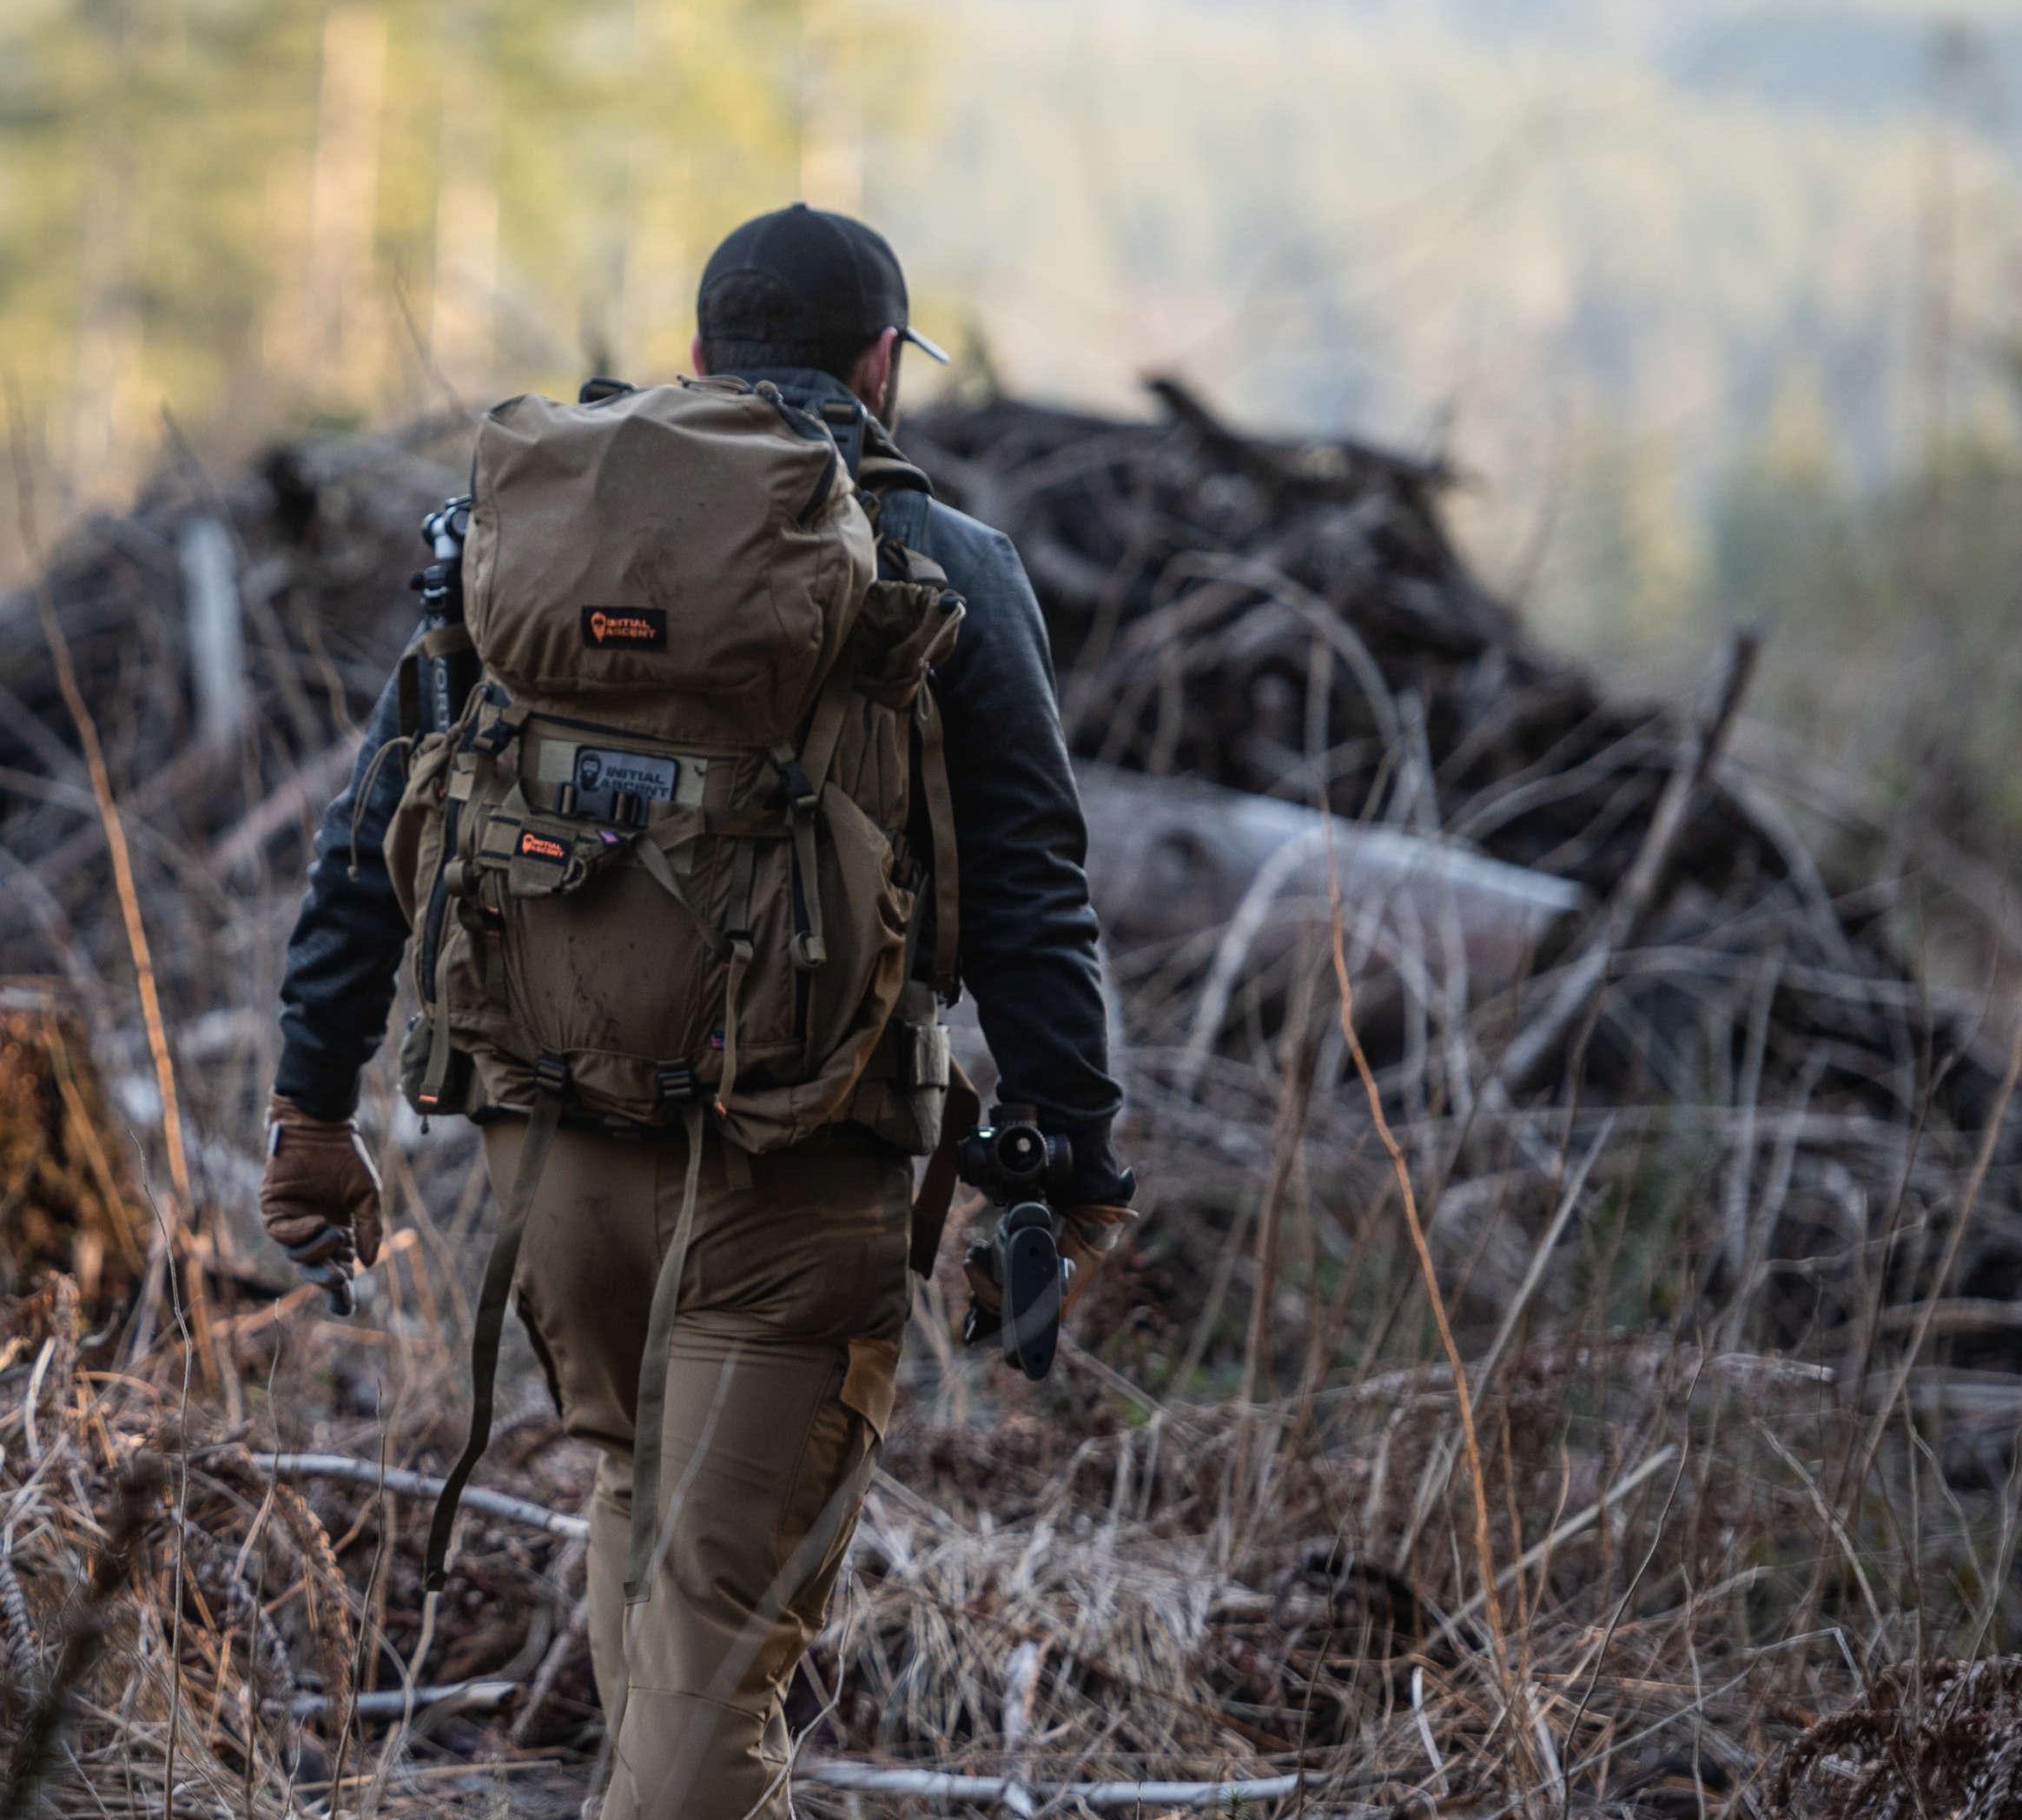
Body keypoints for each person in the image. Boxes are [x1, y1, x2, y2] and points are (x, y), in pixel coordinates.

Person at [257, 202, 1135, 1817]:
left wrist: (313, 1109)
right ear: (883, 368)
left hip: (552, 1144)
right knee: (724, 1627)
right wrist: (1071, 1155)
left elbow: (376, 820)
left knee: (642, 1506)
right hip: (801, 1160)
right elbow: (1030, 889)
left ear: (695, 354)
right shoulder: (943, 563)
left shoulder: (528, 524)